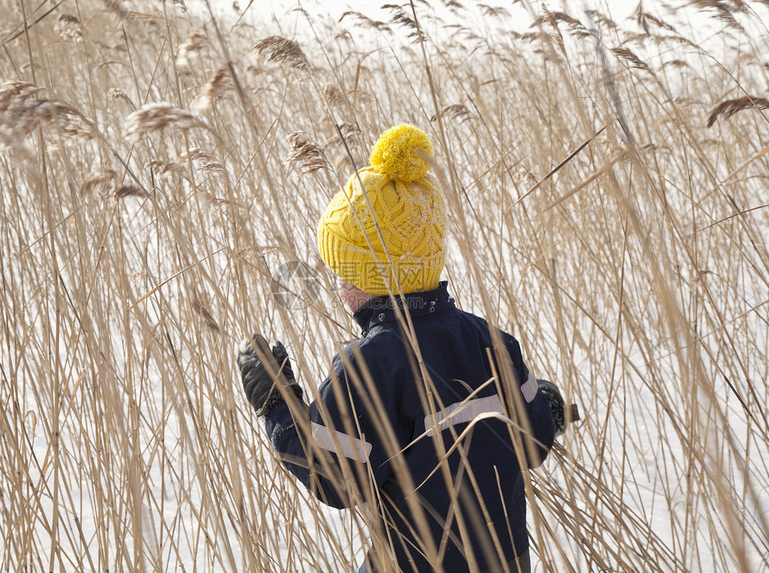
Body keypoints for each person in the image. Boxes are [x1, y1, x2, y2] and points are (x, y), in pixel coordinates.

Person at [237, 125, 568, 573]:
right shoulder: (490, 340)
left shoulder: (372, 365)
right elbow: (535, 437)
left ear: (373, 280)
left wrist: (277, 404)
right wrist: (545, 404)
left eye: (345, 274)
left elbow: (335, 477)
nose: (338, 287)